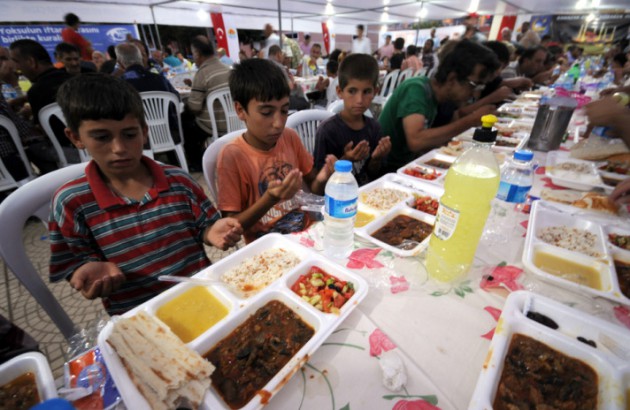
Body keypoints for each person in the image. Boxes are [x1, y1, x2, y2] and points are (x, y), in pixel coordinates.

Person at [49, 73, 242, 315]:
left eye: (129, 135)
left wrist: (212, 231)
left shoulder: (178, 181)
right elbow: (73, 262)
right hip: (137, 314)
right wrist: (86, 272)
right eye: (101, 137)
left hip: (202, 297)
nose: (119, 148)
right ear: (76, 137)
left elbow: (206, 226)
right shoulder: (72, 202)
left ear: (144, 130)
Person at [215, 59, 336, 243]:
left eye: (284, 111)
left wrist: (324, 176)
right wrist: (270, 198)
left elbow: (314, 188)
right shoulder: (232, 156)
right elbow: (230, 227)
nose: (278, 123)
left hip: (306, 235)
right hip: (268, 249)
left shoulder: (290, 137)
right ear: (240, 110)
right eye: (266, 113)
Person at [378, 40, 500, 172]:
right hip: (386, 169)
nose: (476, 93)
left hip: (409, 164)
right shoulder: (416, 89)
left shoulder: (442, 98)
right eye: (474, 85)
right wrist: (471, 120)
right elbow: (416, 140)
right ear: (452, 79)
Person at [314, 54, 391, 185]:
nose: (359, 100)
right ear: (339, 91)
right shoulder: (327, 131)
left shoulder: (374, 128)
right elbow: (318, 185)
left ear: (375, 91)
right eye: (352, 91)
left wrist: (376, 159)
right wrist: (345, 160)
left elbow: (373, 174)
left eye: (366, 91)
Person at [183, 37, 230, 168]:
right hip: (233, 123)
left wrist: (186, 104)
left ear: (197, 53)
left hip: (213, 126)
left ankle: (196, 163)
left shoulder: (202, 73)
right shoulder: (228, 69)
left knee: (185, 121)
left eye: (193, 54)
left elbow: (194, 107)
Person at [9, 39, 73, 125]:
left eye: (16, 62)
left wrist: (25, 117)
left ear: (31, 62)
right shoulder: (73, 80)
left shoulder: (37, 91)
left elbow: (42, 129)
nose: (16, 68)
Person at [267, 45, 309, 111]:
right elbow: (290, 88)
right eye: (282, 55)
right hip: (280, 100)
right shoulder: (279, 67)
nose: (283, 58)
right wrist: (292, 81)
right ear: (278, 54)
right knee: (305, 102)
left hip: (267, 99)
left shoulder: (264, 65)